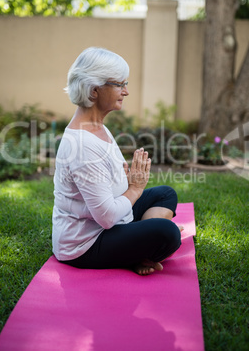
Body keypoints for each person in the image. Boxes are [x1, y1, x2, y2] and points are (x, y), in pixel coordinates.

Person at [52, 47, 182, 275]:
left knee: (165, 194)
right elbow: (107, 217)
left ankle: (139, 248)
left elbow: (109, 181)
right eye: (120, 84)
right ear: (94, 91)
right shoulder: (82, 145)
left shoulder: (97, 126)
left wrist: (127, 180)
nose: (126, 91)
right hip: (86, 243)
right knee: (167, 233)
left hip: (115, 218)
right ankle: (141, 249)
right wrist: (135, 188)